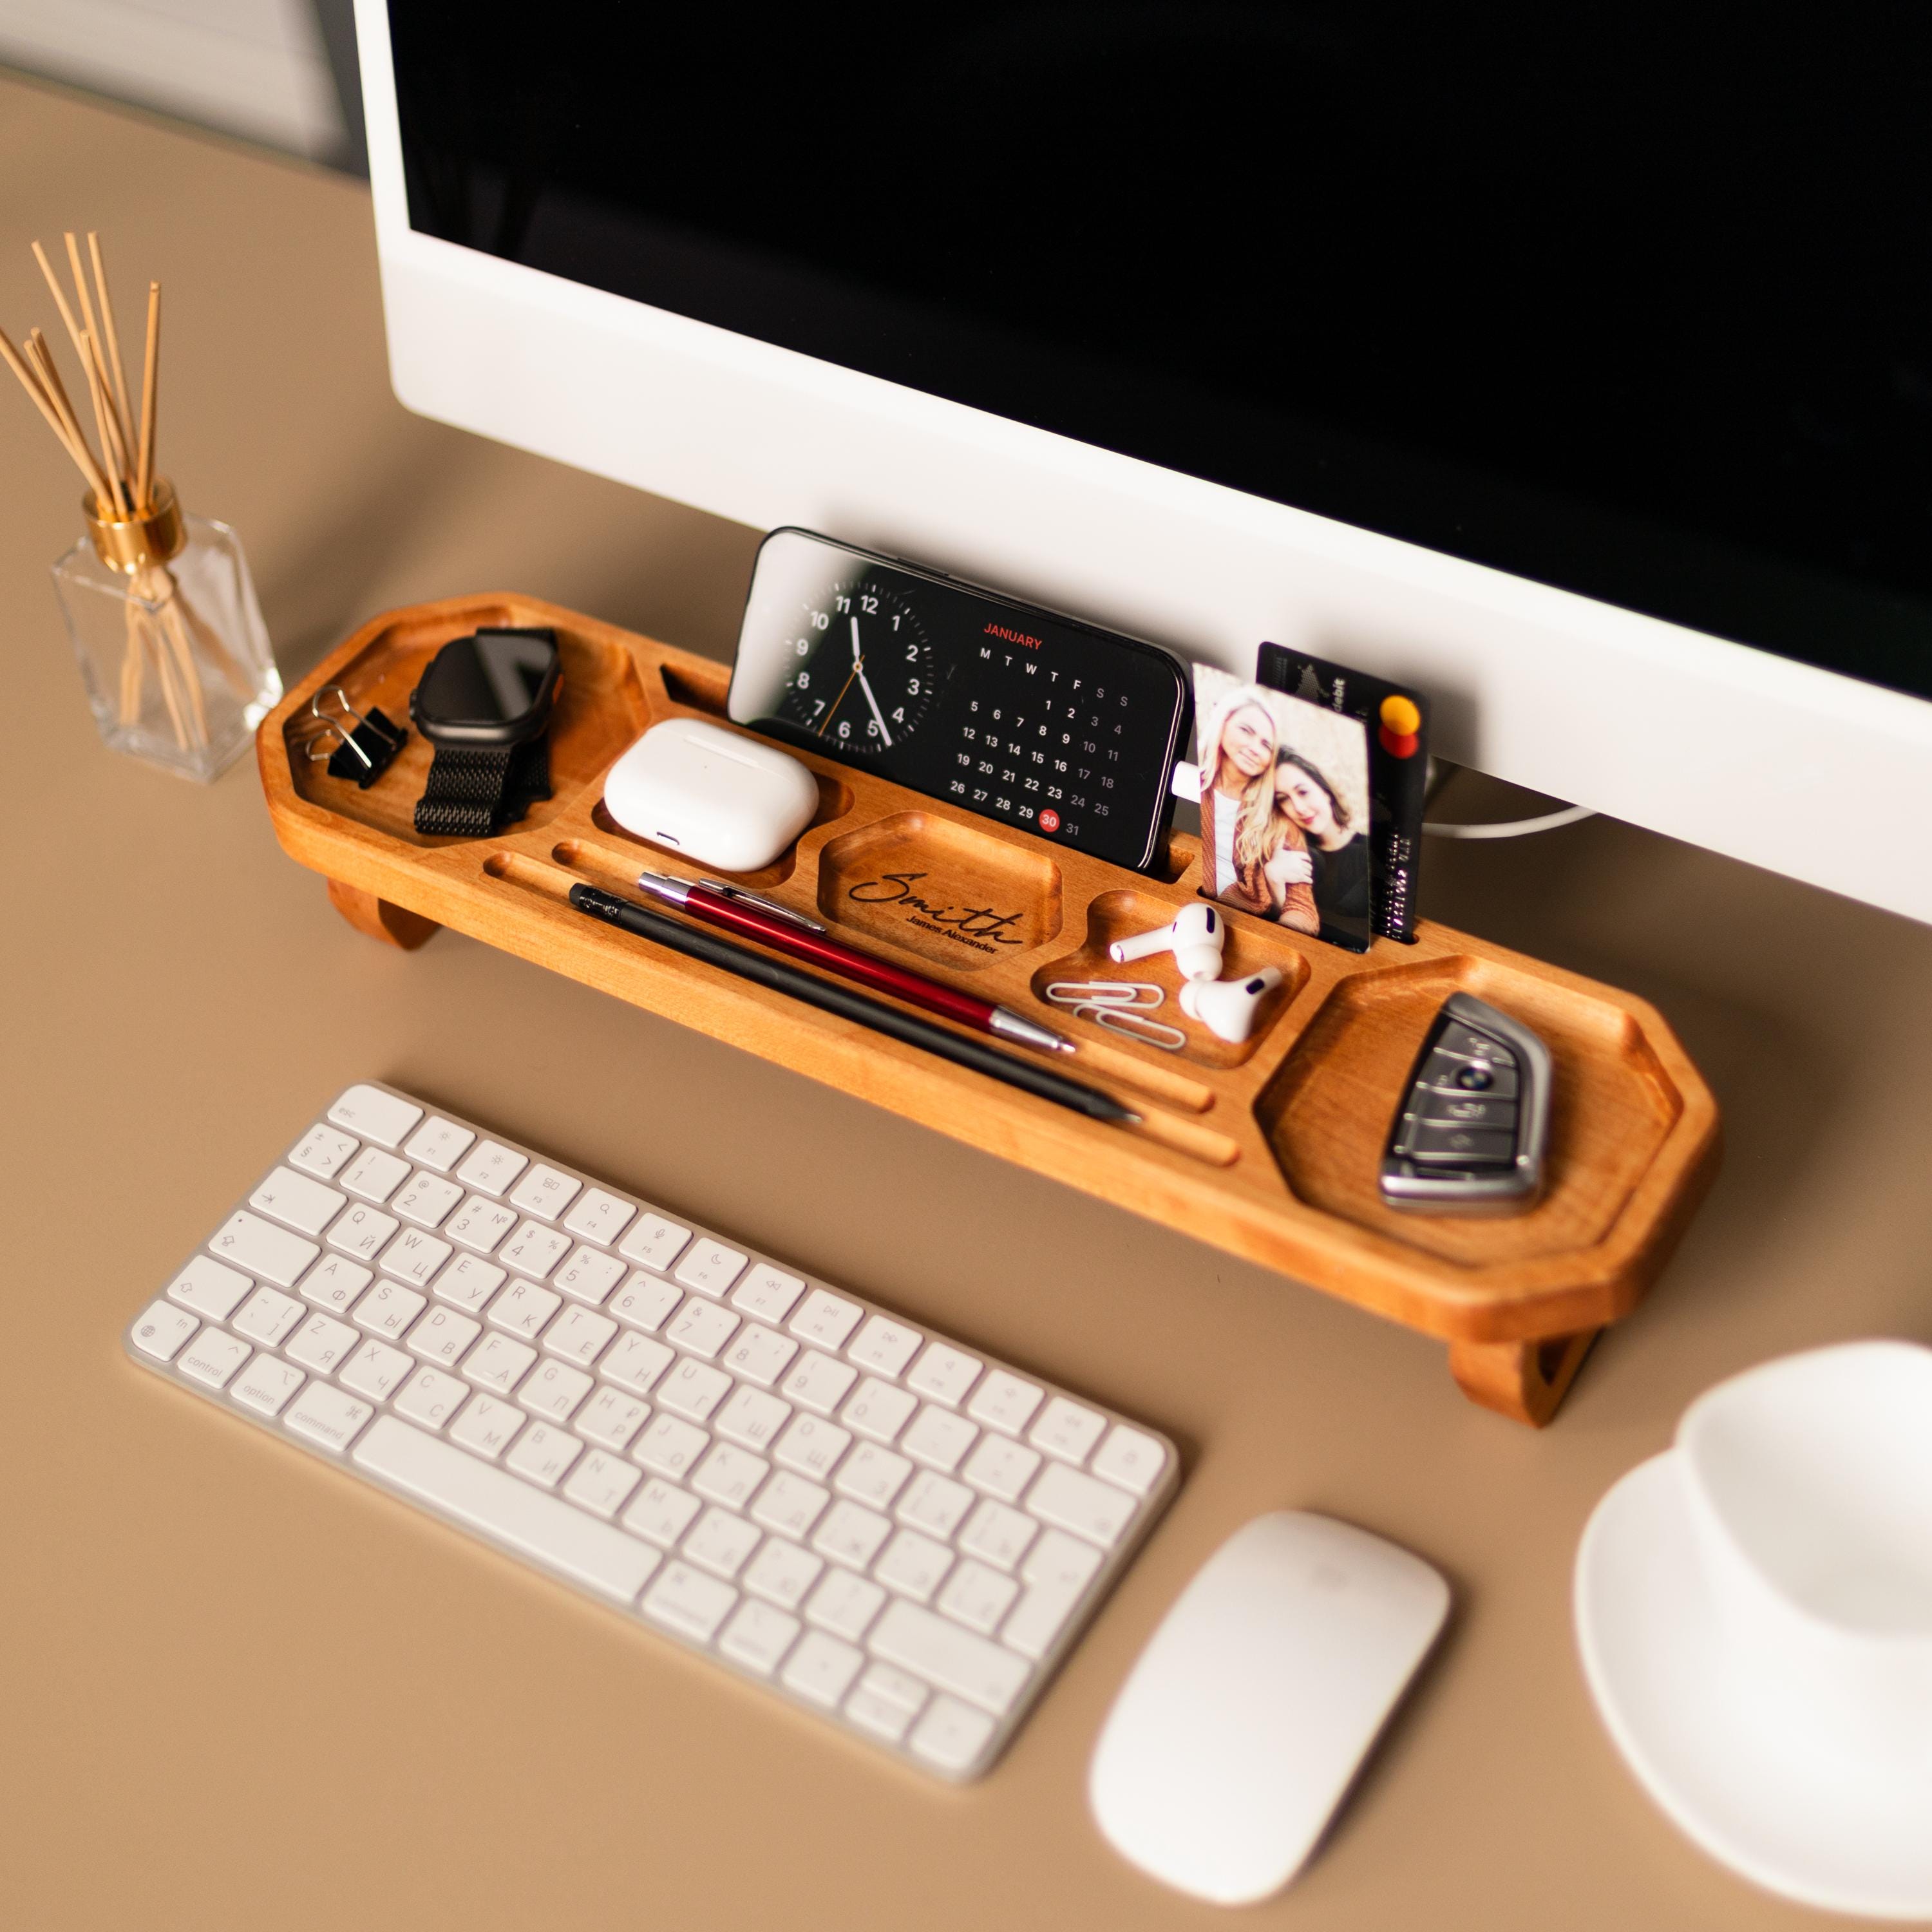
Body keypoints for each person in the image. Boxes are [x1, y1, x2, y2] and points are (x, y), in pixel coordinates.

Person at [1195, 687, 1313, 925]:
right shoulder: (1194, 783)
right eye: (1246, 731)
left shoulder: (1280, 820)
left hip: (1247, 928)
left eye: (1266, 745)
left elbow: (1303, 910)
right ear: (1223, 723)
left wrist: (1274, 878)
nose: (1255, 749)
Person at [1264, 749, 1371, 934]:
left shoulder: (1369, 856)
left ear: (1326, 791)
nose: (1298, 808)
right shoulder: (1285, 853)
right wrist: (1274, 881)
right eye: (1284, 799)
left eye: (1303, 792)